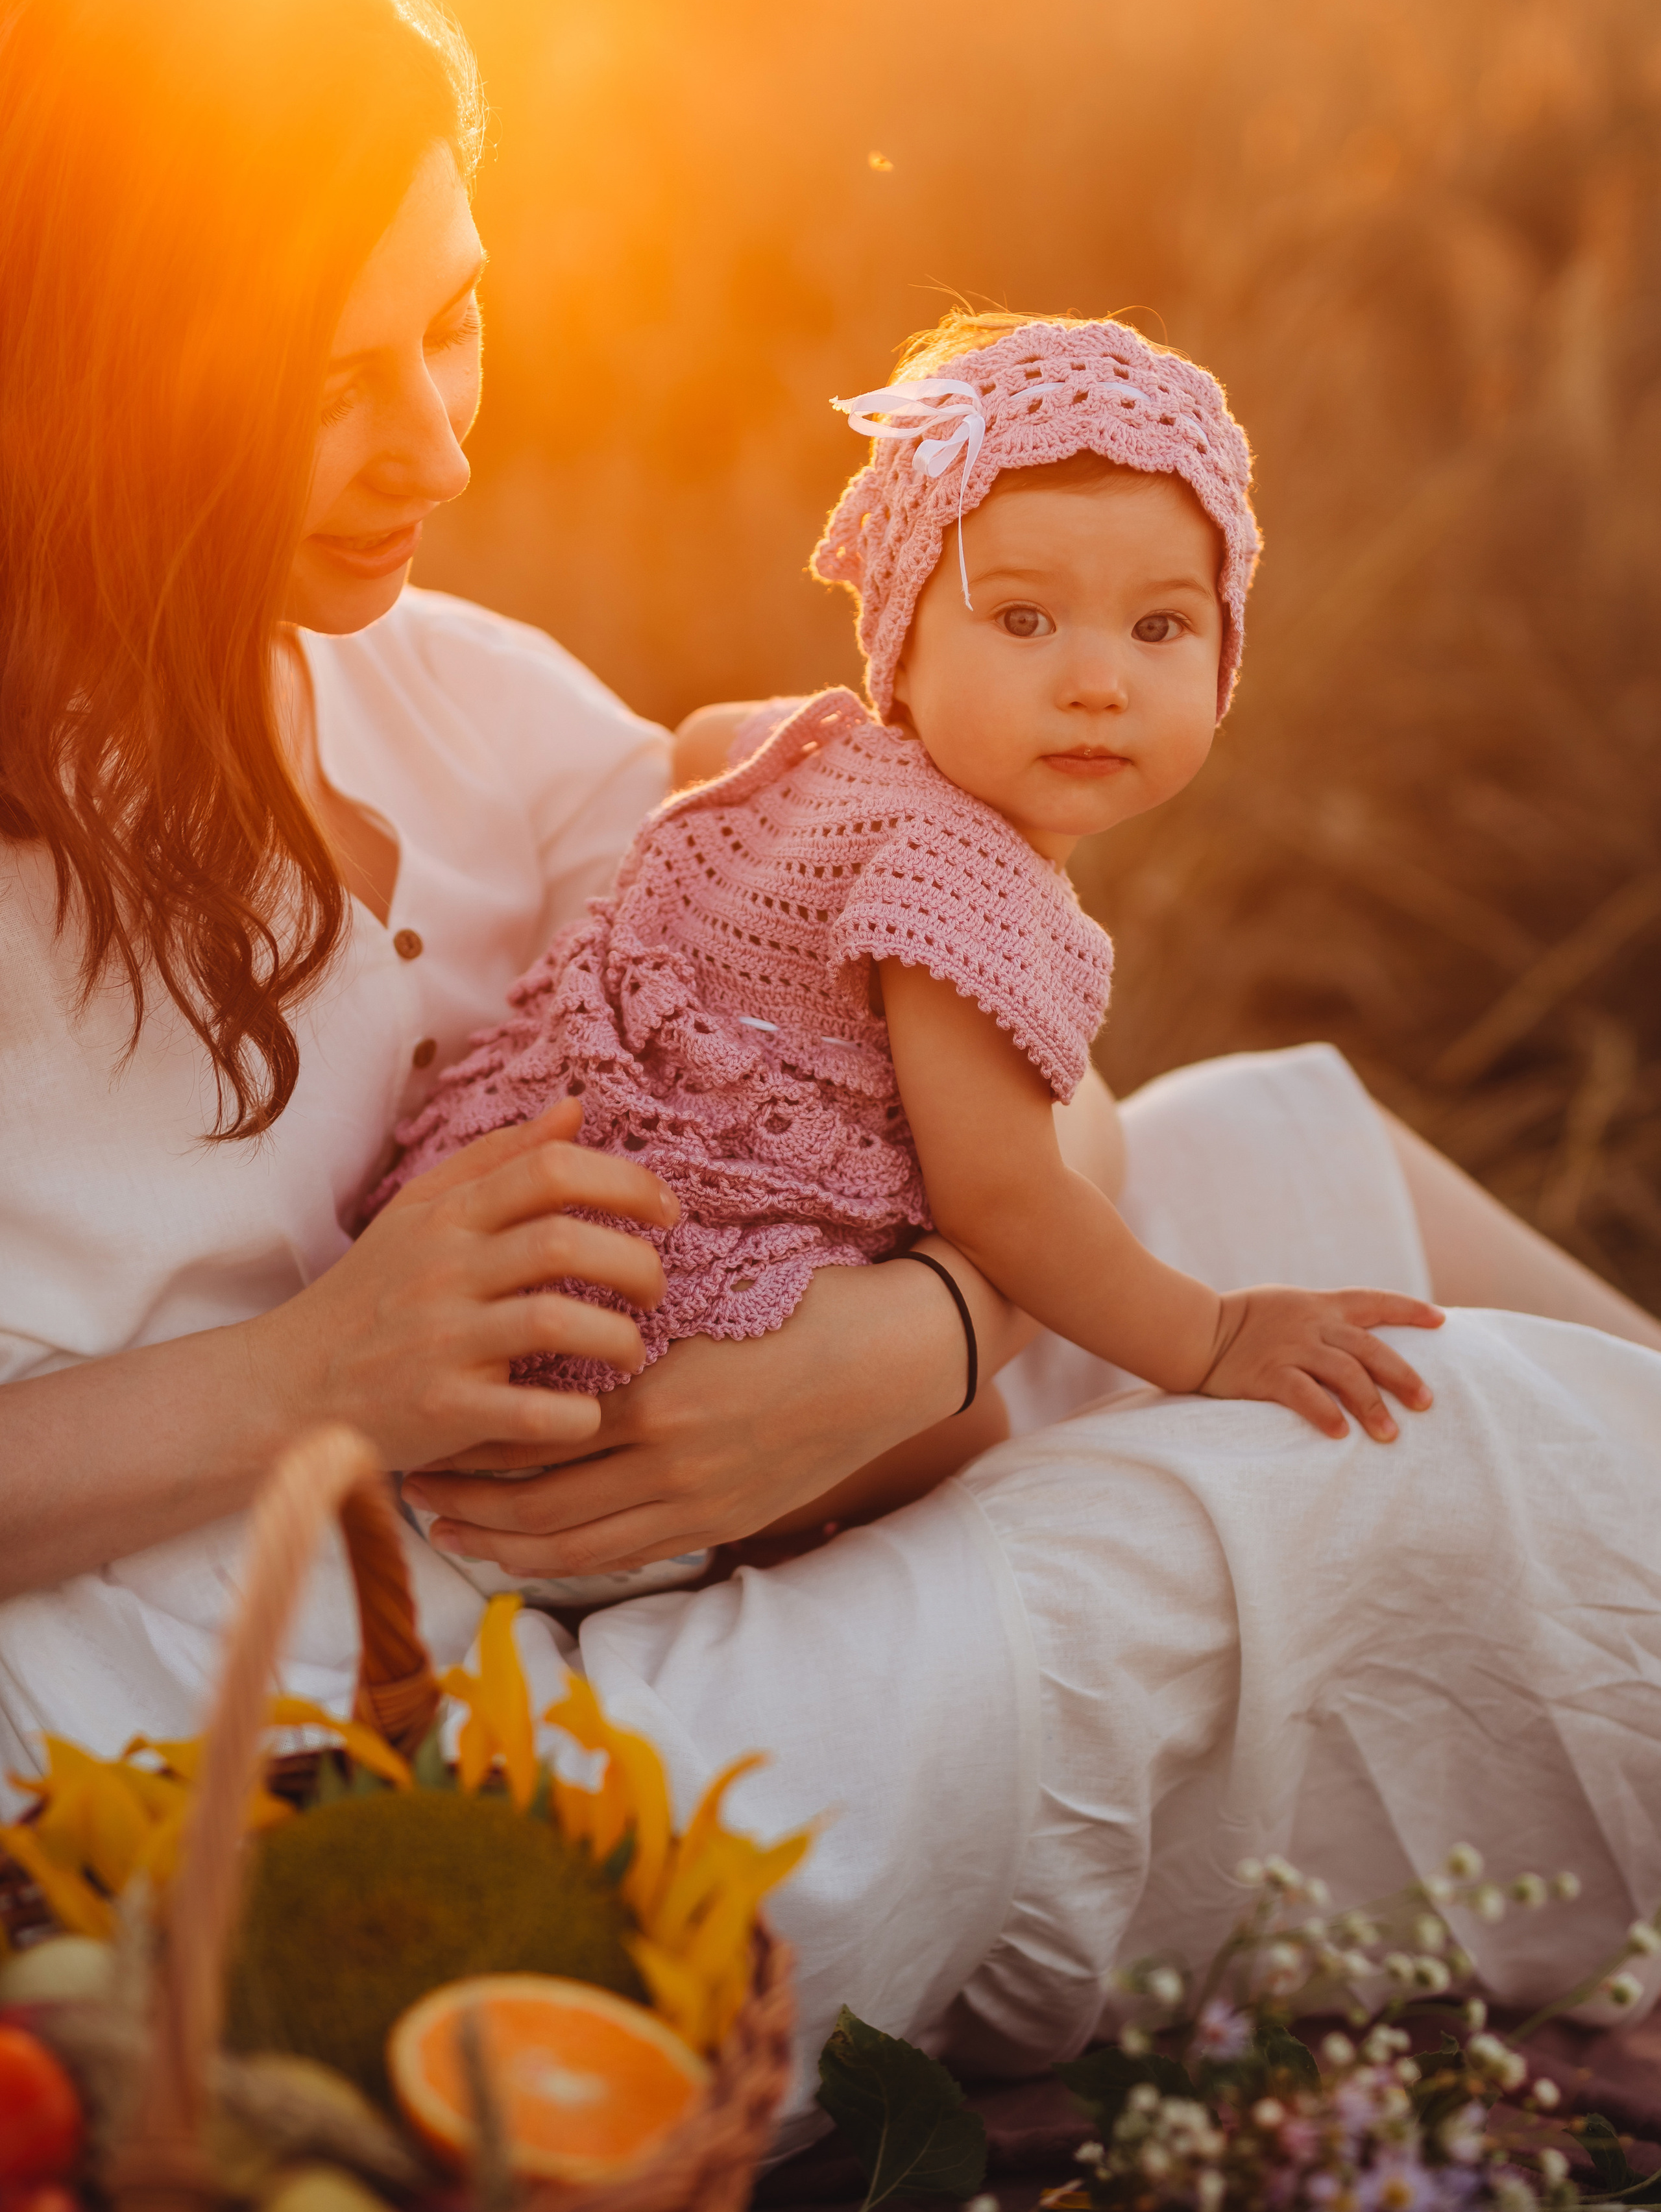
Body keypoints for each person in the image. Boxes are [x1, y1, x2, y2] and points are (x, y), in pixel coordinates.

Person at [4, 0, 1661, 2148]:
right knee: (1440, 1455)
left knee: (1287, 1145)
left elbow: (1019, 1076)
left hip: (679, 1535)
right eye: (325, 381)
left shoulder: (458, 704)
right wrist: (309, 1378)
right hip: (404, 1781)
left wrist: (915, 1346)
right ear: (93, 373)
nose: (438, 450)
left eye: (454, 329)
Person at [378, 310, 1442, 1613]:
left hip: (491, 1291)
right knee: (974, 1439)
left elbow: (696, 742)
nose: (1097, 681)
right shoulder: (959, 887)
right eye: (1025, 621)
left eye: (1157, 629)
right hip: (630, 1401)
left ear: (1223, 649)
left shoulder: (808, 744)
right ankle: (730, 1591)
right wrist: (1208, 1334)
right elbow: (1001, 1199)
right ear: (900, 638)